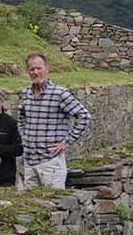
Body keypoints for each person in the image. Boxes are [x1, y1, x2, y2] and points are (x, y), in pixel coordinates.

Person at [18, 52, 91, 189]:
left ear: (47, 69)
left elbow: (84, 116)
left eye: (39, 68)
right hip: (29, 161)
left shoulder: (60, 94)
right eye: (31, 69)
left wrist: (66, 141)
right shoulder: (26, 93)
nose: (35, 72)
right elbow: (21, 117)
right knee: (31, 206)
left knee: (53, 205)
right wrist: (24, 136)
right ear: (28, 71)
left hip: (50, 162)